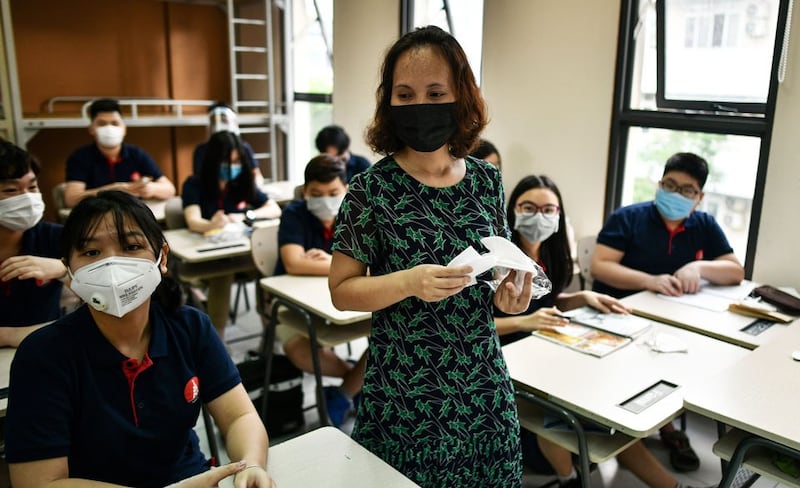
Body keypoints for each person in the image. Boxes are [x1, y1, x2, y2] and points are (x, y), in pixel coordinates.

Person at [328, 25, 534, 487]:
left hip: (483, 391)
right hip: (406, 397)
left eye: (435, 91)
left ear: (461, 96)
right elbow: (341, 291)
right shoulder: (370, 191)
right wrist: (408, 281)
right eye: (405, 94)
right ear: (389, 102)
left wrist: (509, 298)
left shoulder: (485, 180)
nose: (419, 104)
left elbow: (493, 272)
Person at [4, 191, 274, 488]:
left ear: (162, 258)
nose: (112, 266)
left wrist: (250, 465)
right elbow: (38, 483)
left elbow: (238, 416)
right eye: (92, 253)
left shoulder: (189, 326)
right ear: (68, 267)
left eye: (131, 247)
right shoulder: (44, 355)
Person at [496, 175, 706, 488]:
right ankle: (568, 476)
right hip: (512, 369)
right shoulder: (500, 257)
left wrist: (583, 297)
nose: (539, 216)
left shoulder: (551, 254)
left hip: (546, 352)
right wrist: (523, 322)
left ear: (559, 215)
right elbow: (478, 325)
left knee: (611, 414)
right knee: (572, 418)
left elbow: (547, 303)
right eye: (529, 207)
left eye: (549, 209)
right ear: (512, 208)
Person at [591, 151, 745, 472]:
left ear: (699, 197)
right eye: (670, 184)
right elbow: (601, 266)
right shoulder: (629, 217)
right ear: (659, 184)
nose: (676, 194)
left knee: (690, 363)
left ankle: (664, 424)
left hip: (673, 321)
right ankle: (643, 429)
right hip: (620, 314)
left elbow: (735, 271)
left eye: (686, 190)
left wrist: (698, 266)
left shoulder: (703, 224)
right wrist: (650, 281)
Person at [275, 153, 366, 427]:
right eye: (316, 193)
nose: (325, 200)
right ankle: (356, 383)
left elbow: (373, 268)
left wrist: (327, 262)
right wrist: (341, 265)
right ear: (305, 192)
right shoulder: (295, 214)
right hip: (295, 305)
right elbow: (293, 263)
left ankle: (342, 394)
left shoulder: (356, 214)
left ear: (346, 189)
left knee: (391, 335)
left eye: (333, 193)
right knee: (299, 351)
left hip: (341, 303)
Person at [182, 130, 282, 338]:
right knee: (223, 275)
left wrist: (247, 214)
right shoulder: (195, 184)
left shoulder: (242, 182)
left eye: (237, 161)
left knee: (266, 270)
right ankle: (218, 338)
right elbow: (193, 221)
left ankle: (270, 336)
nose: (232, 166)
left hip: (242, 252)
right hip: (210, 258)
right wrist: (210, 224)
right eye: (227, 161)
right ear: (213, 161)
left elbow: (273, 208)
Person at [0, 141, 68, 346]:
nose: (27, 198)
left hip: (45, 350)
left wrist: (64, 269)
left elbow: (108, 293)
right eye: (11, 190)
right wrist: (11, 336)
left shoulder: (54, 237)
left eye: (32, 186)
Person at [63, 98, 176, 208]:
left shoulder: (136, 154)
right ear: (92, 129)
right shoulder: (80, 157)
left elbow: (170, 190)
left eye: (115, 123)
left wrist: (152, 189)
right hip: (96, 216)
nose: (109, 128)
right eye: (102, 124)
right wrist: (112, 190)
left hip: (132, 213)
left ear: (124, 129)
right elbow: (71, 199)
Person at [193, 102, 264, 184]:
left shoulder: (244, 148)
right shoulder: (201, 150)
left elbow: (256, 173)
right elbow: (199, 179)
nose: (220, 125)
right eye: (215, 121)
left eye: (224, 121)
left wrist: (256, 185)